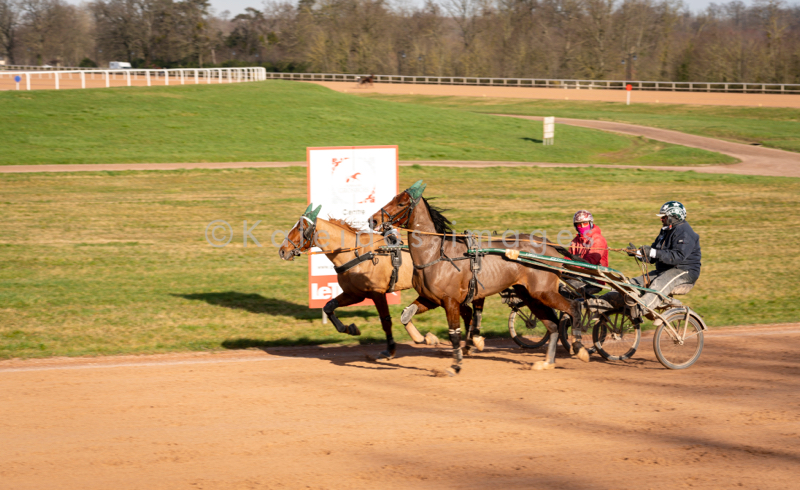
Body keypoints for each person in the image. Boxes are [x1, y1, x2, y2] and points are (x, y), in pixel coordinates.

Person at [594, 201, 701, 323]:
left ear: (674, 217)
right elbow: (653, 256)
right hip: (665, 270)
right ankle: (602, 302)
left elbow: (677, 257)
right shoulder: (665, 232)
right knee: (630, 284)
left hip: (685, 271)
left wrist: (652, 252)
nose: (661, 220)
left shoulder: (685, 232)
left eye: (664, 217)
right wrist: (637, 253)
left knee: (658, 284)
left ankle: (640, 308)